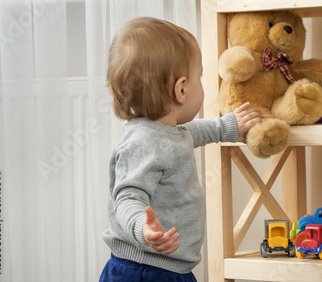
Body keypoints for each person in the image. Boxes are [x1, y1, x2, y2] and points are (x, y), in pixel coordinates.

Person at [99, 17, 262, 281]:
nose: (201, 82)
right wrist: (143, 228)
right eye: (200, 75)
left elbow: (191, 134)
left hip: (167, 266)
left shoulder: (166, 132)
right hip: (146, 270)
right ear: (182, 89)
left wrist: (226, 126)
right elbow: (127, 198)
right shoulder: (143, 143)